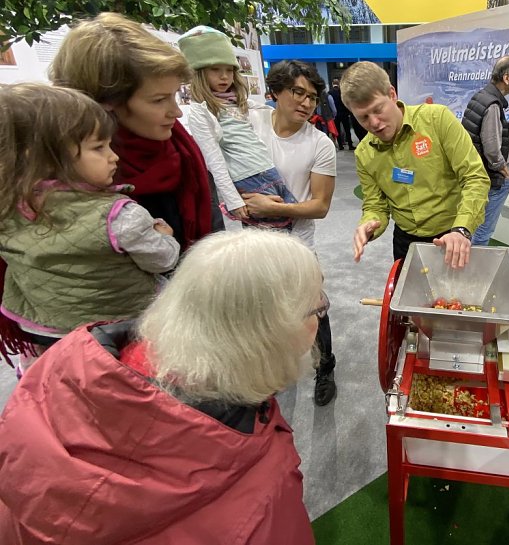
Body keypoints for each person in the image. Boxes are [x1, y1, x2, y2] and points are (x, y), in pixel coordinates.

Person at [0, 229, 321, 544]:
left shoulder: (64, 363)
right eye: (316, 308)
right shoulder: (263, 491)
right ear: (274, 331)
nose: (319, 317)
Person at [0, 84, 179, 368]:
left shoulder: (8, 207)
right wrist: (164, 238)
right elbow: (161, 260)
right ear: (43, 157)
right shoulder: (119, 215)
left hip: (46, 331)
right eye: (98, 147)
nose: (114, 156)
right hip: (119, 327)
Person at [49, 12, 222, 251]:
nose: (176, 112)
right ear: (106, 102)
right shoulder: (60, 176)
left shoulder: (181, 150)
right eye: (159, 100)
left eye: (174, 95)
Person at [244, 60, 338, 406]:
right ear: (277, 92)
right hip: (252, 240)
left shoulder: (320, 144)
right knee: (262, 309)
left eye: (312, 97)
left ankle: (325, 366)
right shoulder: (250, 123)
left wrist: (275, 209)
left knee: (314, 308)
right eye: (298, 92)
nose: (305, 102)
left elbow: (320, 206)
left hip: (298, 243)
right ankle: (272, 368)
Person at [342, 61, 490, 268]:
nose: (374, 123)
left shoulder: (437, 120)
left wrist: (462, 229)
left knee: (450, 299)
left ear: (392, 94)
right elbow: (376, 205)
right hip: (405, 241)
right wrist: (369, 223)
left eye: (378, 110)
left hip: (451, 237)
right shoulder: (364, 153)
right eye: (363, 117)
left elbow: (475, 177)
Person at [177, 25, 297, 229]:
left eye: (229, 70)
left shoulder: (237, 102)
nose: (224, 77)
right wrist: (233, 200)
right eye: (215, 70)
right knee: (271, 241)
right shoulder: (201, 111)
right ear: (199, 73)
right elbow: (213, 160)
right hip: (248, 178)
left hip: (268, 170)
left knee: (287, 229)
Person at [461, 55, 509, 245]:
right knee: (482, 233)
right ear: (507, 78)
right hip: (491, 178)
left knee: (473, 228)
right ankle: (473, 272)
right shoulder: (492, 105)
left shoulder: (481, 96)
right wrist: (504, 172)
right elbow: (492, 150)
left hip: (477, 173)